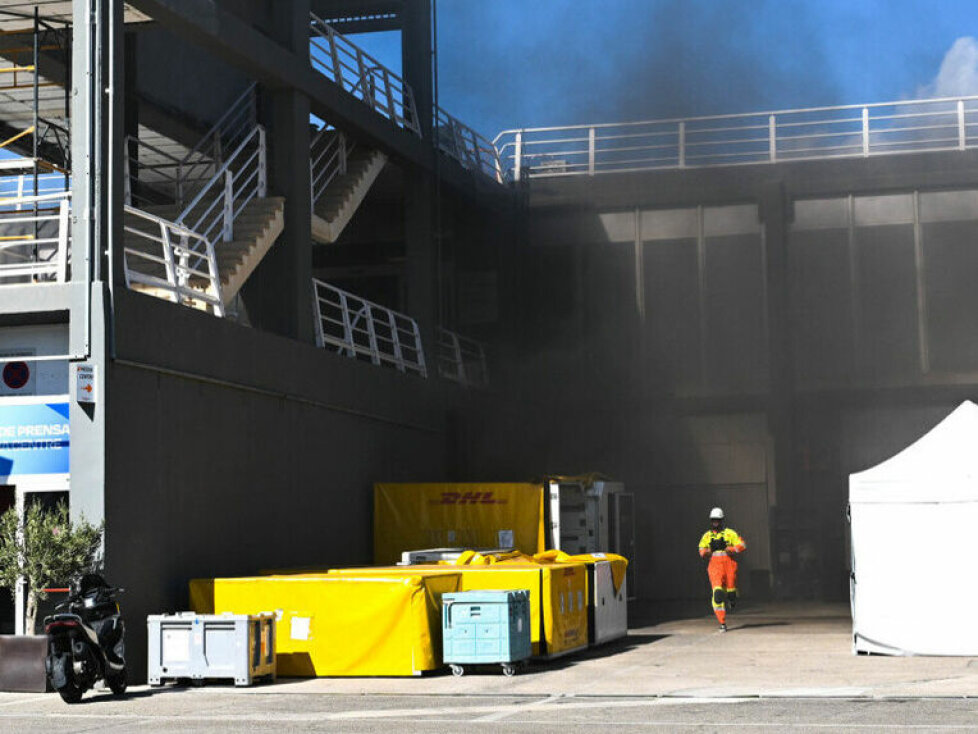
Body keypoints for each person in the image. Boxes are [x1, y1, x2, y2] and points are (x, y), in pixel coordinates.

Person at [697, 507, 746, 631]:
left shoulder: (730, 533)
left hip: (729, 565)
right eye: (713, 520)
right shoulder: (707, 536)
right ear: (710, 521)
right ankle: (722, 622)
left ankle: (732, 598)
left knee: (731, 591)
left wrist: (729, 549)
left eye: (718, 520)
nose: (715, 523)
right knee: (717, 594)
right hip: (715, 566)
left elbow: (742, 545)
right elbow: (701, 552)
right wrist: (710, 550)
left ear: (722, 520)